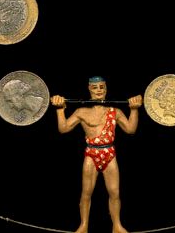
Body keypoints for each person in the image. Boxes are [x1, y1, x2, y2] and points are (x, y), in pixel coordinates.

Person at [51, 76, 142, 233]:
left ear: (106, 89)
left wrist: (134, 110)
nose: (99, 90)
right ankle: (83, 226)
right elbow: (63, 128)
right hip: (91, 154)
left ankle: (117, 225)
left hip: (110, 154)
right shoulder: (81, 111)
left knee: (114, 192)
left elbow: (131, 129)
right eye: (95, 87)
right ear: (89, 89)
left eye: (102, 87)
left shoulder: (115, 111)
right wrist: (60, 110)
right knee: (86, 192)